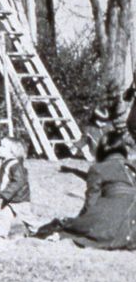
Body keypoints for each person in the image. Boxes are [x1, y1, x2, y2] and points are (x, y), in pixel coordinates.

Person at [36, 104, 136, 250]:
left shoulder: (98, 168)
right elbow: (83, 140)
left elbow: (91, 203)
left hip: (113, 224)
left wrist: (81, 221)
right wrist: (75, 146)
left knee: (69, 227)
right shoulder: (131, 166)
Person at [0, 136, 39, 239]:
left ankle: (39, 232)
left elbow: (19, 181)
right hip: (10, 198)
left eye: (3, 146)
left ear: (12, 151)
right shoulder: (7, 163)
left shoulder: (15, 165)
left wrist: (6, 193)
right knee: (4, 216)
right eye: (0, 145)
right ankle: (0, 236)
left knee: (28, 218)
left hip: (19, 198)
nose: (0, 148)